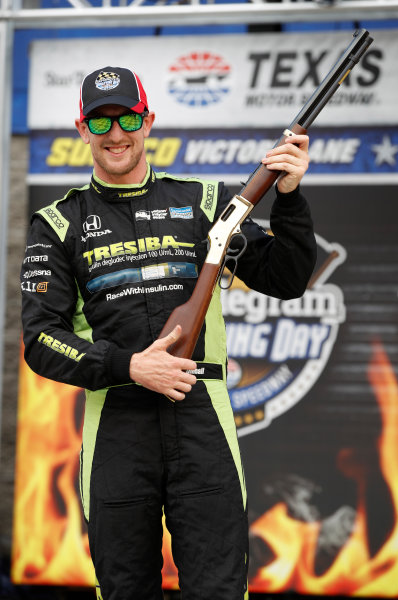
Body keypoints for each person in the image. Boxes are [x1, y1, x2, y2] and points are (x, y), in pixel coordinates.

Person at [21, 66, 317, 600]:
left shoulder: (205, 202)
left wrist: (290, 196)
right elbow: (41, 340)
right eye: (101, 121)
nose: (116, 134)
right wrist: (130, 366)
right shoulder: (57, 222)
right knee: (125, 589)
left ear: (148, 120)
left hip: (202, 421)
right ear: (82, 129)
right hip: (116, 423)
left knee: (220, 589)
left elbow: (288, 279)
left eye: (128, 117)